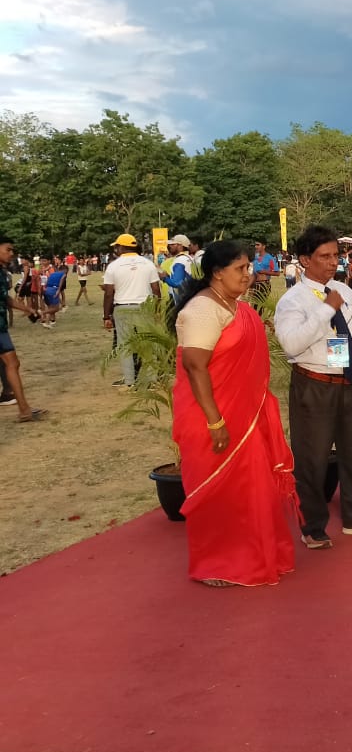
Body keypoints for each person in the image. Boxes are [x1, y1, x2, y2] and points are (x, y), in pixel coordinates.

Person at [172, 240, 298, 587]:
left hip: (245, 417)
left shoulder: (236, 306)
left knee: (251, 490)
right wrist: (215, 421)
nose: (248, 274)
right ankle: (216, 563)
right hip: (212, 418)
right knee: (220, 492)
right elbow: (195, 367)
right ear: (217, 273)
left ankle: (256, 556)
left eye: (248, 267)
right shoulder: (202, 309)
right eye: (240, 268)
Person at [274, 225, 352, 548]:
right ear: (304, 260)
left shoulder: (344, 291)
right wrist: (327, 309)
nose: (332, 262)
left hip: (348, 381)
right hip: (314, 383)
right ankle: (312, 526)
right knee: (312, 458)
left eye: (335, 255)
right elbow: (292, 344)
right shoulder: (292, 300)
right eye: (324, 256)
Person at [102, 233, 161, 387]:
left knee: (125, 346)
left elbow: (109, 293)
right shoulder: (148, 263)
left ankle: (130, 382)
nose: (116, 249)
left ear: (121, 247)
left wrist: (106, 316)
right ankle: (152, 380)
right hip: (145, 307)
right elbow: (156, 289)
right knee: (148, 344)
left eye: (116, 247)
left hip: (122, 308)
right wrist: (157, 309)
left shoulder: (113, 266)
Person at [0, 235, 46, 421]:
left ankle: (24, 409)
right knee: (12, 363)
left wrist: (28, 309)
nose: (12, 253)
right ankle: (24, 409)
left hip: (1, 327)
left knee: (12, 363)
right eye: (8, 249)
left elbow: (5, 299)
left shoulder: (2, 272)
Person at [41, 259, 67, 327]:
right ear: (65, 270)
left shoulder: (52, 274)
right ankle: (43, 313)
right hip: (53, 290)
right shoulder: (63, 274)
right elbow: (61, 282)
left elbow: (47, 281)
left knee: (50, 307)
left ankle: (49, 322)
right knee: (56, 308)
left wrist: (44, 289)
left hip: (47, 289)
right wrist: (58, 290)